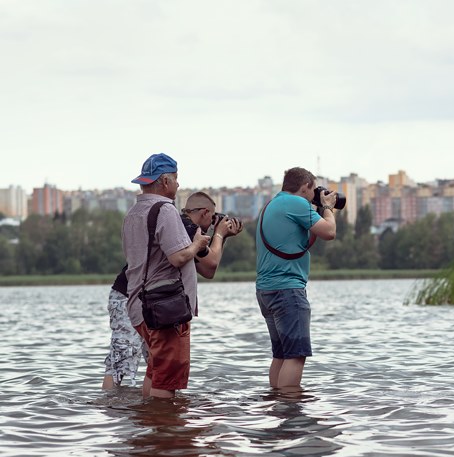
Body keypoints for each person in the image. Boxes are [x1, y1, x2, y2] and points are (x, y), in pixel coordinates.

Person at [103, 191, 243, 390]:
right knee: (125, 357)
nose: (211, 225)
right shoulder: (186, 228)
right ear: (204, 213)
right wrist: (219, 234)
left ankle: (130, 410)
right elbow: (210, 265)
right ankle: (120, 406)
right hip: (134, 297)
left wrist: (220, 238)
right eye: (212, 219)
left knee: (150, 362)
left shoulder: (179, 226)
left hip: (136, 295)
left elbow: (205, 268)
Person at [122, 153, 211, 399]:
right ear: (164, 181)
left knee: (156, 369)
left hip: (140, 305)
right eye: (175, 179)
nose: (178, 185)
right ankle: (165, 433)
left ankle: (149, 426)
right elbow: (178, 257)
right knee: (167, 377)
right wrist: (197, 244)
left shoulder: (133, 213)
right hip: (165, 309)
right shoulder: (165, 210)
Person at [255, 166, 337, 391]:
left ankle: (276, 405)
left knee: (281, 354)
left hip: (266, 291)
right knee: (296, 356)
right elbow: (329, 232)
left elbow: (300, 242)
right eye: (314, 190)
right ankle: (290, 413)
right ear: (306, 187)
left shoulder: (270, 206)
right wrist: (328, 207)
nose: (315, 196)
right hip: (287, 290)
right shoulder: (296, 203)